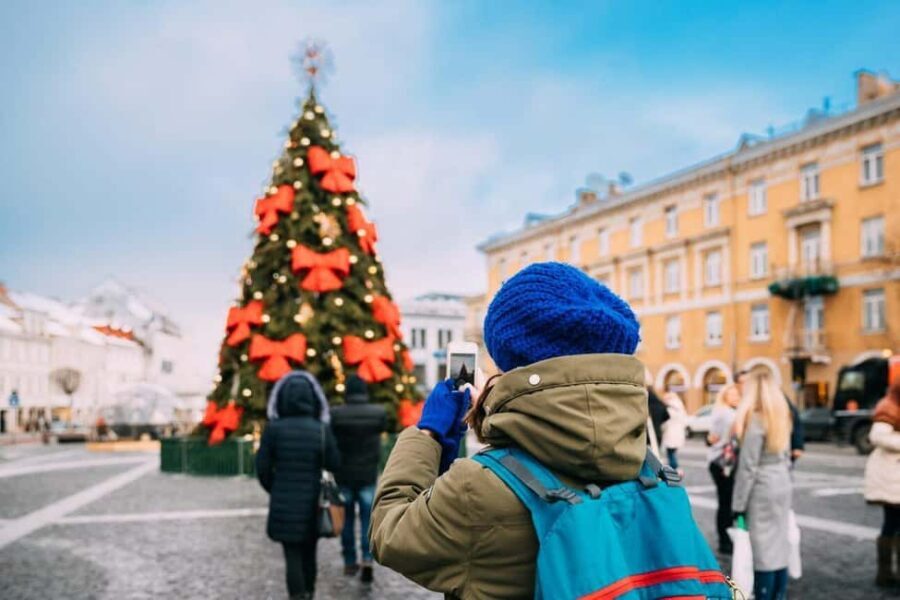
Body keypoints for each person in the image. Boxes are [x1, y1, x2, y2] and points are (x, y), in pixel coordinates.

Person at [370, 262, 647, 598]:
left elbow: (390, 534)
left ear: (510, 362)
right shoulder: (649, 467)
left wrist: (427, 434)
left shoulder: (477, 485)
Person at [256, 371, 340, 600]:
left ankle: (297, 595)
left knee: (291, 554)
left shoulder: (273, 429)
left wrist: (275, 488)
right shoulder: (321, 429)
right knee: (310, 552)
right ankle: (310, 593)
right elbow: (334, 463)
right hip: (314, 501)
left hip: (283, 499)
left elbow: (262, 467)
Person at [732, 371, 793, 600]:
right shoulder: (781, 416)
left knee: (763, 550)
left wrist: (738, 505)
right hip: (781, 482)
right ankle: (780, 593)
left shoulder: (756, 419)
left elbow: (748, 466)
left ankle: (765, 593)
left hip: (762, 487)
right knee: (779, 545)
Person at [330, 375, 387, 584]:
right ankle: (367, 559)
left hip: (344, 475)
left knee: (346, 521)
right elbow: (382, 430)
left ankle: (349, 561)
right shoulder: (378, 413)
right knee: (367, 519)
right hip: (367, 474)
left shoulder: (335, 414)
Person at [863, 379, 900, 588]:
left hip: (895, 475)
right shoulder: (888, 407)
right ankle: (885, 573)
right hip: (891, 476)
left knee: (894, 525)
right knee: (892, 524)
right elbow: (877, 436)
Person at [735, 369, 804, 462]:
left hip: (773, 450)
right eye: (741, 382)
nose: (745, 385)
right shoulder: (735, 397)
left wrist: (797, 445)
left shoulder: (773, 396)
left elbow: (794, 417)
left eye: (747, 382)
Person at [707, 383, 741, 554]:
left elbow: (711, 438)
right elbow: (715, 438)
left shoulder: (724, 412)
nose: (736, 397)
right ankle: (725, 540)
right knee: (726, 503)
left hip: (720, 461)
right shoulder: (726, 414)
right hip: (723, 463)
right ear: (725, 397)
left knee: (726, 502)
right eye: (732, 395)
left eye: (737, 395)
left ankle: (726, 539)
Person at [660, 391, 687, 471]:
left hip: (670, 434)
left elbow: (666, 422)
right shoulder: (680, 407)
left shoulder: (669, 408)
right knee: (672, 452)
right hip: (678, 434)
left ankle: (675, 468)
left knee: (670, 453)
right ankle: (674, 468)